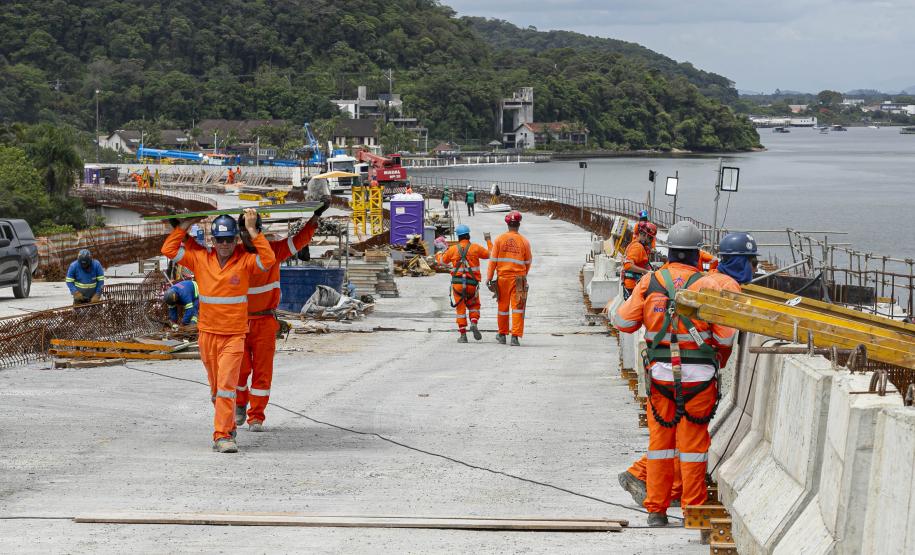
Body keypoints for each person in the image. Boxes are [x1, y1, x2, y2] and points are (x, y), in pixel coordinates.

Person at [616, 231, 758, 512]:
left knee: (661, 445)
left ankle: (656, 510)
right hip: (699, 379)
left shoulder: (650, 280)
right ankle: (692, 509)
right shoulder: (709, 285)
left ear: (668, 251)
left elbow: (623, 321)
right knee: (692, 447)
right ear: (698, 254)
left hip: (659, 376)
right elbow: (726, 339)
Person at [161, 208, 276, 454]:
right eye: (220, 240)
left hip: (234, 337)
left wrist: (253, 230)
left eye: (229, 240)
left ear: (236, 240)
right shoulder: (200, 258)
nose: (224, 245)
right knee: (216, 391)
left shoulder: (244, 262)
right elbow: (168, 250)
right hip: (207, 335)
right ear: (213, 240)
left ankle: (222, 436)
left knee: (226, 387)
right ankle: (229, 425)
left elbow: (268, 260)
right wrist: (183, 226)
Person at [234, 201, 327, 431]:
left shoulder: (273, 250)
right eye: (244, 231)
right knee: (238, 370)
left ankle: (256, 416)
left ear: (259, 231)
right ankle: (239, 405)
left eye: (251, 230)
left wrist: (315, 218)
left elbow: (299, 241)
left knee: (262, 373)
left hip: (265, 321)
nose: (247, 236)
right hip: (238, 322)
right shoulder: (233, 254)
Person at [437, 224, 492, 343]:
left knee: (460, 309)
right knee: (474, 305)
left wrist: (440, 252)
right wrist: (488, 241)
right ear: (468, 235)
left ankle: (463, 336)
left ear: (458, 237)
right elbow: (490, 254)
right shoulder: (475, 248)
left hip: (457, 285)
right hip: (472, 284)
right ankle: (473, 322)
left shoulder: (452, 249)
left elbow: (442, 261)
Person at [487, 210, 533, 346]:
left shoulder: (499, 240)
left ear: (507, 224)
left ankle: (502, 334)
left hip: (503, 279)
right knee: (518, 308)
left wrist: (489, 277)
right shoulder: (524, 241)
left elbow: (493, 261)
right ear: (519, 224)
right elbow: (528, 262)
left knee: (502, 307)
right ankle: (515, 337)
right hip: (519, 279)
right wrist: (523, 276)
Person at [622, 222, 657, 299]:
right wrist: (646, 272)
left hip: (633, 286)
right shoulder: (638, 247)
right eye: (650, 238)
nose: (651, 241)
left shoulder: (635, 244)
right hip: (634, 287)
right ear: (645, 235)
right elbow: (628, 266)